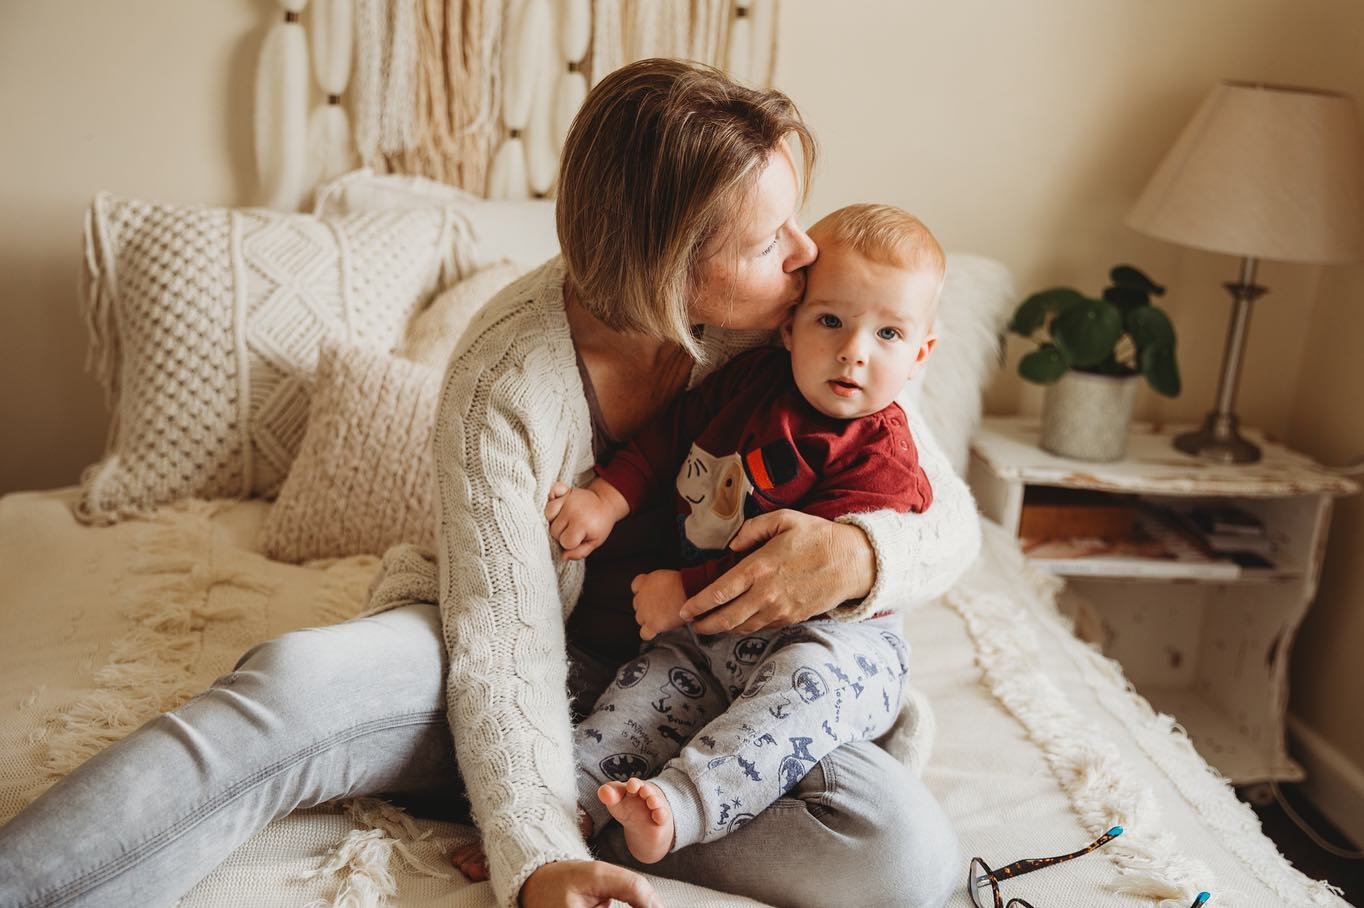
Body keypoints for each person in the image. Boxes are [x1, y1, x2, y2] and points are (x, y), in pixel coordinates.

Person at [0, 60, 978, 908]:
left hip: (703, 672)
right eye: (773, 242)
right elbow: (503, 643)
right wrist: (535, 852)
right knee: (292, 689)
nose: (805, 256)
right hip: (501, 644)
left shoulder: (803, 326)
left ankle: (621, 797)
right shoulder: (503, 379)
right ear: (675, 266)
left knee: (901, 852)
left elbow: (946, 514)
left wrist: (860, 553)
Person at [542, 203, 945, 865]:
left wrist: (685, 592)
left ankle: (680, 806)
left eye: (889, 335)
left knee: (798, 694)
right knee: (636, 696)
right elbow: (667, 441)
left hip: (830, 639)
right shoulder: (749, 383)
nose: (854, 350)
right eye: (831, 321)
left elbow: (795, 569)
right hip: (709, 637)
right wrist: (605, 501)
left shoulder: (882, 456)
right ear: (789, 326)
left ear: (921, 355)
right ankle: (567, 809)